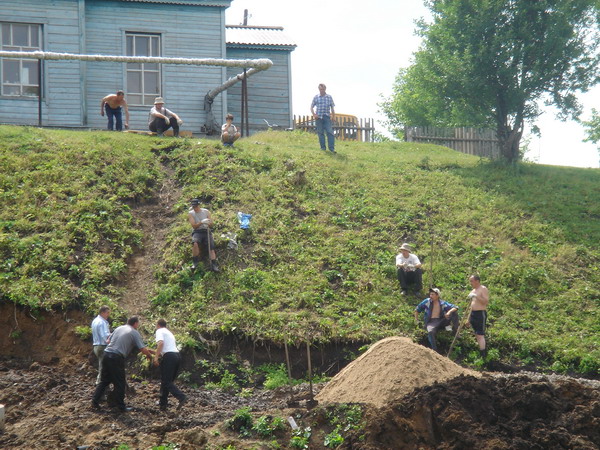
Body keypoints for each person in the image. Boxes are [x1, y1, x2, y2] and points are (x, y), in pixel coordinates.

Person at [92, 316, 154, 412]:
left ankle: (95, 402)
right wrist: (150, 356)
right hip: (116, 357)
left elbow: (108, 341)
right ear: (135, 323)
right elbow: (142, 348)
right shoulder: (134, 332)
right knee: (120, 383)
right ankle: (120, 406)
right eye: (138, 324)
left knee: (104, 381)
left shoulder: (119, 328)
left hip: (106, 354)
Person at [154, 319, 187, 411]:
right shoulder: (169, 333)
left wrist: (155, 358)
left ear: (158, 325)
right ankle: (163, 404)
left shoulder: (159, 331)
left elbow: (160, 343)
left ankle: (181, 396)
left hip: (169, 357)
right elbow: (165, 350)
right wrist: (154, 353)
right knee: (167, 381)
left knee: (166, 381)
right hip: (176, 356)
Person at [414, 288, 459, 353]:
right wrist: (416, 319)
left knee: (454, 312)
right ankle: (435, 350)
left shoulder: (442, 303)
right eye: (430, 294)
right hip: (431, 322)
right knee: (430, 332)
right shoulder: (427, 302)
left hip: (441, 320)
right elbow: (417, 309)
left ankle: (455, 332)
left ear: (437, 295)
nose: (431, 296)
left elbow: (455, 307)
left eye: (433, 294)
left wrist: (448, 312)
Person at [189, 198, 219, 272]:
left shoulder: (206, 212)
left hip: (206, 231)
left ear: (199, 205)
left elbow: (211, 224)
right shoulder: (191, 213)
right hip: (197, 231)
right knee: (195, 243)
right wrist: (201, 222)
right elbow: (194, 226)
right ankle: (195, 263)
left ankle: (214, 265)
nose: (195, 208)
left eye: (196, 206)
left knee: (211, 247)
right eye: (193, 207)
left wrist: (208, 223)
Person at [467, 274, 489, 358]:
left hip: (480, 313)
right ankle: (481, 351)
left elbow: (485, 302)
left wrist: (476, 296)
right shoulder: (473, 291)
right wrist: (468, 318)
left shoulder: (483, 289)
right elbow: (471, 306)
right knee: (476, 334)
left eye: (471, 281)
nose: (470, 283)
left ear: (477, 281)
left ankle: (483, 354)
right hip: (473, 314)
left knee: (480, 334)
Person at [310, 83, 336, 153]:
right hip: (318, 117)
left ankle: (332, 149)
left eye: (323, 89)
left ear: (325, 89)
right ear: (319, 89)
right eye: (320, 89)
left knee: (329, 132)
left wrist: (333, 116)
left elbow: (332, 108)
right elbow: (311, 107)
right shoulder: (316, 97)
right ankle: (323, 148)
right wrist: (314, 115)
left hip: (327, 117)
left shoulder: (329, 97)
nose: (321, 90)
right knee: (320, 133)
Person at [91, 305, 111, 385]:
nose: (108, 315)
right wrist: (111, 340)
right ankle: (100, 383)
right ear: (102, 312)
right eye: (107, 313)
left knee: (103, 365)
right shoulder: (102, 322)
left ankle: (103, 383)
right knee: (103, 366)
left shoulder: (95, 321)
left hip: (96, 345)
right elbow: (105, 336)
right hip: (102, 346)